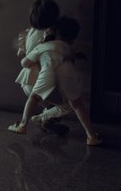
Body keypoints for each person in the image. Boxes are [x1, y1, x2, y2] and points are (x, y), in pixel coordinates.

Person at [33, 17, 102, 145]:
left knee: (68, 105)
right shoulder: (65, 47)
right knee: (77, 105)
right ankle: (91, 135)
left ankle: (43, 118)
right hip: (64, 81)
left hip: (43, 85)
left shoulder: (48, 45)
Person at [8, 0, 62, 136]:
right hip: (39, 78)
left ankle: (46, 121)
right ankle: (41, 120)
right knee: (64, 105)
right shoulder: (49, 35)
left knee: (48, 105)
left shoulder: (29, 32)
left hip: (26, 79)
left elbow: (20, 53)